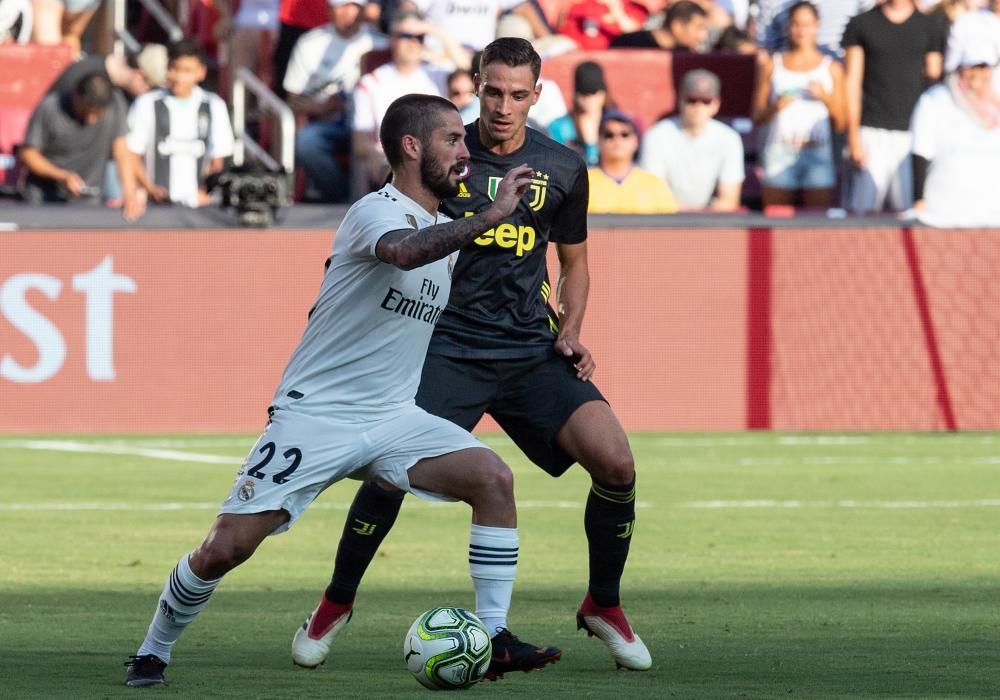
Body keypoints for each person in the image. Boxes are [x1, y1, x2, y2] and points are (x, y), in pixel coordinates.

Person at [122, 93, 556, 688]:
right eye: (453, 139)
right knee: (226, 548)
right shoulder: (376, 212)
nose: (465, 150)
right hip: (318, 416)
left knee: (492, 478)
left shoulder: (441, 226)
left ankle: (494, 637)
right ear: (411, 146)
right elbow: (402, 255)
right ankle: (153, 650)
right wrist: (489, 217)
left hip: (394, 416)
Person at [290, 36, 652, 678]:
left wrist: (570, 328)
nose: (503, 106)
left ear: (537, 96)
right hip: (444, 347)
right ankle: (335, 603)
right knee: (386, 475)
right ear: (476, 83)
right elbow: (393, 229)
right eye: (492, 91)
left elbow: (575, 261)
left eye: (518, 95)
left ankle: (604, 603)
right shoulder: (444, 150)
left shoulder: (563, 166)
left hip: (529, 351)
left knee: (617, 463)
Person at [841, 0, 945, 214]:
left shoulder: (929, 25)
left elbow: (934, 83)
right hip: (871, 132)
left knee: (910, 214)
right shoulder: (862, 24)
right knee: (861, 215)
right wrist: (853, 138)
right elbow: (851, 83)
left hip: (913, 136)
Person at [284, 0, 388, 202]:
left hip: (375, 123)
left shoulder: (380, 43)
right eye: (342, 6)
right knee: (307, 142)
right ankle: (342, 200)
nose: (348, 13)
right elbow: (293, 98)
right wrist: (323, 107)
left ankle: (380, 201)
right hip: (330, 121)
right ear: (330, 9)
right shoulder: (310, 43)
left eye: (354, 6)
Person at [753, 1, 846, 208]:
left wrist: (826, 98)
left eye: (806, 24)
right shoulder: (772, 65)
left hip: (818, 153)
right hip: (780, 152)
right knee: (775, 222)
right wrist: (775, 107)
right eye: (795, 24)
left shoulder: (832, 69)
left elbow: (841, 122)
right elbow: (757, 115)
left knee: (815, 224)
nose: (801, 30)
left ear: (817, 26)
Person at [350, 10, 451, 198]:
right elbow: (360, 141)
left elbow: (472, 69)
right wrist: (378, 157)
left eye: (419, 37)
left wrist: (435, 31)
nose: (413, 42)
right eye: (406, 35)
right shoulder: (371, 82)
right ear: (392, 39)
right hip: (390, 161)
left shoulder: (439, 75)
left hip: (436, 157)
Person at [18, 71, 143, 220]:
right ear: (75, 95)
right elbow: (28, 154)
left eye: (98, 113)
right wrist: (62, 176)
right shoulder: (49, 107)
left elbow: (122, 151)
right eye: (86, 110)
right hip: (44, 202)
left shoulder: (115, 103)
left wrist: (129, 194)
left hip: (89, 204)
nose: (91, 119)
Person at [126, 39, 235, 208]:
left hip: (199, 206)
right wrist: (149, 188)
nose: (179, 77)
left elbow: (218, 159)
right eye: (174, 68)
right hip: (155, 206)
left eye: (187, 71)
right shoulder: (147, 103)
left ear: (201, 72)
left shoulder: (214, 105)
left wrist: (206, 191)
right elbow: (132, 154)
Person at [910, 33, 1000, 226]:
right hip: (944, 216)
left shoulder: (995, 105)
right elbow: (920, 152)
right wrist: (918, 201)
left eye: (984, 67)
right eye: (973, 66)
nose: (978, 73)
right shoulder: (934, 100)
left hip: (992, 218)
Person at [639, 69, 745, 210]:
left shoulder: (729, 139)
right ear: (680, 100)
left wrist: (699, 218)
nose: (698, 107)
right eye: (692, 100)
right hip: (665, 222)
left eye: (706, 101)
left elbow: (729, 201)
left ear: (716, 104)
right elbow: (655, 197)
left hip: (711, 224)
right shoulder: (657, 136)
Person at [587, 108, 678, 213]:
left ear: (635, 141)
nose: (617, 140)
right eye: (609, 135)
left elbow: (670, 225)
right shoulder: (583, 183)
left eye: (624, 134)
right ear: (598, 141)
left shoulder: (654, 185)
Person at [548, 60, 612, 166]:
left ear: (603, 94)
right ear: (576, 95)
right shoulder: (559, 127)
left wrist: (591, 143)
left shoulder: (618, 126)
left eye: (594, 92)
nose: (589, 99)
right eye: (583, 93)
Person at [610, 0, 708, 51]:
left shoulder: (688, 53)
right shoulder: (628, 43)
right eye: (698, 28)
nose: (703, 36)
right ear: (677, 26)